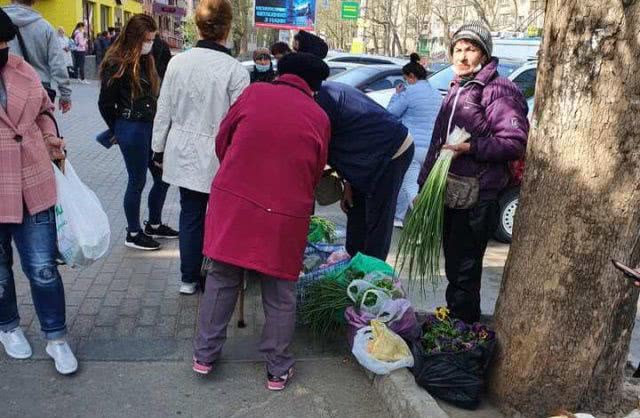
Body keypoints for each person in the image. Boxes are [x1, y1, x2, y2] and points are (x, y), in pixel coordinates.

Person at [193, 52, 331, 391]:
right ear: (313, 87)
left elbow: (223, 141)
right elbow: (315, 169)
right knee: (280, 290)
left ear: (280, 73)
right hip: (285, 211)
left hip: (235, 202)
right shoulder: (319, 115)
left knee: (222, 277)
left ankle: (204, 356)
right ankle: (277, 369)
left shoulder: (253, 93)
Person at [418, 22, 529, 324]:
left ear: (484, 53)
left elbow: (514, 143)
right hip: (451, 191)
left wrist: (471, 148)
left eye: (471, 49)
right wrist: (423, 185)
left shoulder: (498, 90)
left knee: (465, 270)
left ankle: (463, 328)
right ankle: (457, 322)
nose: (463, 56)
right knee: (454, 267)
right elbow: (438, 143)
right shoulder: (457, 87)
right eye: (458, 49)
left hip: (478, 195)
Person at [152, 0, 250, 295]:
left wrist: (157, 148)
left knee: (190, 212)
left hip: (182, 149)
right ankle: (218, 275)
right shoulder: (235, 71)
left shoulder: (178, 62)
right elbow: (241, 122)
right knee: (220, 215)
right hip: (221, 154)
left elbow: (164, 108)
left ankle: (188, 278)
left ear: (198, 26)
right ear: (228, 28)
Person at [0, 9, 78, 375]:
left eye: (5, 43)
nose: (4, 49)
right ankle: (9, 327)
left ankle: (56, 337)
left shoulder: (20, 68)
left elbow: (44, 111)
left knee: (44, 267)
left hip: (32, 178)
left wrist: (48, 134)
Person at [99, 14, 178, 251]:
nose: (150, 43)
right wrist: (117, 129)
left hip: (150, 126)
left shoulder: (149, 58)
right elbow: (105, 103)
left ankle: (154, 223)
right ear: (135, 38)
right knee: (137, 181)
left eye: (153, 39)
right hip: (132, 128)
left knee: (163, 177)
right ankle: (133, 232)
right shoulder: (117, 62)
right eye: (147, 39)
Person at [317, 81, 414, 261]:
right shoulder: (321, 95)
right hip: (363, 154)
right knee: (354, 207)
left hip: (392, 150)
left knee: (378, 215)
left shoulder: (324, 99)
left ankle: (372, 271)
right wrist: (348, 184)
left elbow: (328, 147)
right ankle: (353, 257)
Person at [387, 53, 442, 228]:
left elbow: (392, 113)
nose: (405, 82)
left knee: (409, 186)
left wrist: (396, 95)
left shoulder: (409, 92)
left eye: (405, 78)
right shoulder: (436, 93)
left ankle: (421, 220)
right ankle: (398, 217)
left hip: (410, 145)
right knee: (411, 182)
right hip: (430, 149)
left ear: (411, 76)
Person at [2, 0, 72, 112]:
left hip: (5, 88)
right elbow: (57, 64)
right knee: (41, 127)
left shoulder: (2, 22)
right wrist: (65, 94)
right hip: (39, 88)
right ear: (34, 1)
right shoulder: (45, 27)